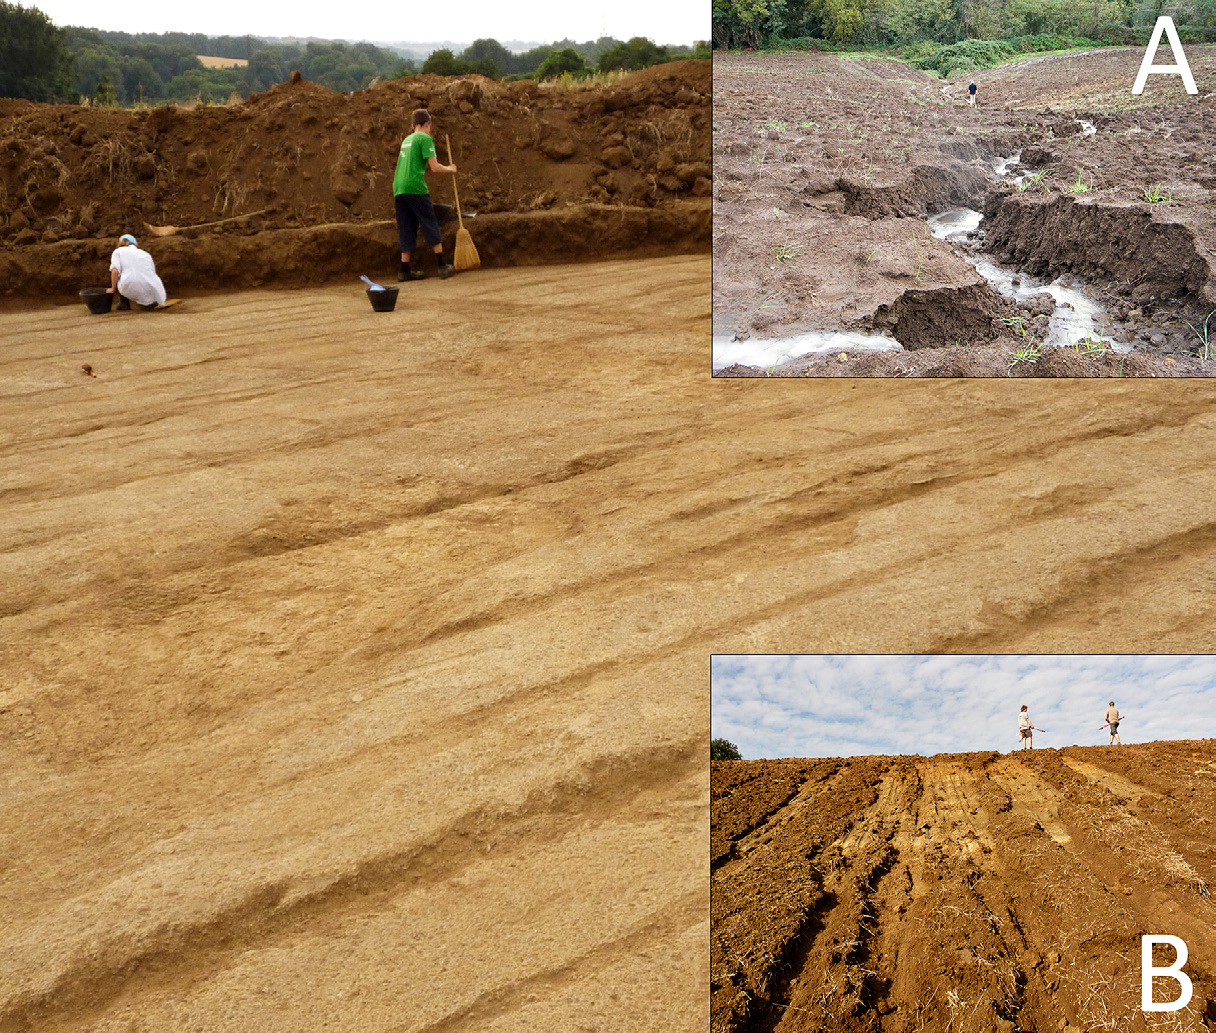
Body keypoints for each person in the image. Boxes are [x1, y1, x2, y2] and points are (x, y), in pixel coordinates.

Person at [393, 108, 458, 282]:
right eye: (430, 126)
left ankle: (404, 270)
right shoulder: (425, 138)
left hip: (399, 187)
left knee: (407, 226)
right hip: (415, 186)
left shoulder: (407, 139)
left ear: (413, 125)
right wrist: (450, 169)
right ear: (427, 124)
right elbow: (434, 167)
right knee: (430, 222)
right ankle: (442, 265)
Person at [107, 234, 168, 310]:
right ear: (135, 244)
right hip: (152, 287)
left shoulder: (118, 251)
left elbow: (115, 271)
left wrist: (113, 288)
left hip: (129, 285)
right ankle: (149, 303)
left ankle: (124, 304)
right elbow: (152, 273)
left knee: (123, 275)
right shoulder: (146, 254)